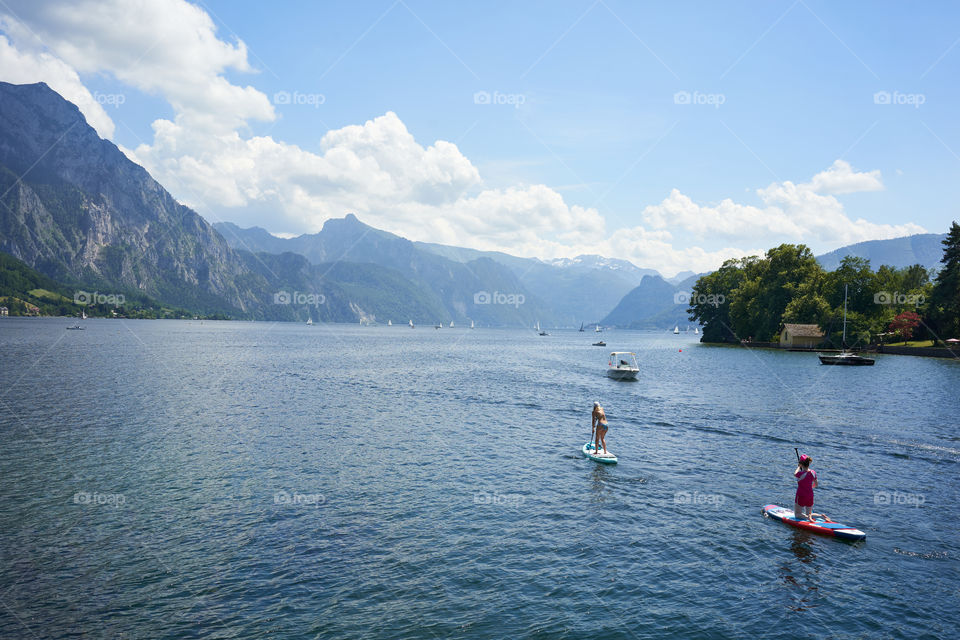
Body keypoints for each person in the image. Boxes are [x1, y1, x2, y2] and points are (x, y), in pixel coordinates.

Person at [794, 454, 819, 521]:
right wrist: (809, 488)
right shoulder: (813, 472)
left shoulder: (800, 474)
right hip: (810, 495)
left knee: (797, 514)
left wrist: (799, 467)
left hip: (801, 495)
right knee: (809, 513)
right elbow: (816, 484)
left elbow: (795, 473)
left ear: (801, 464)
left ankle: (807, 518)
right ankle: (821, 516)